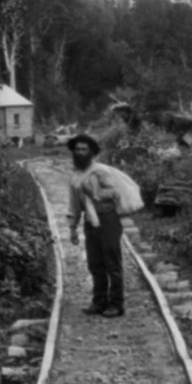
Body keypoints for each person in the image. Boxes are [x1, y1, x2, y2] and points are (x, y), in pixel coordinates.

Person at [67, 133, 125, 318]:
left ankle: (117, 304)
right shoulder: (75, 176)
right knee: (95, 263)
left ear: (91, 151)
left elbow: (115, 192)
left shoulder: (100, 170)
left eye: (84, 149)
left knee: (112, 262)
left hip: (107, 218)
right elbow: (74, 204)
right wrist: (72, 228)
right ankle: (99, 301)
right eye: (77, 149)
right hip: (90, 221)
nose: (80, 152)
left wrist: (97, 194)